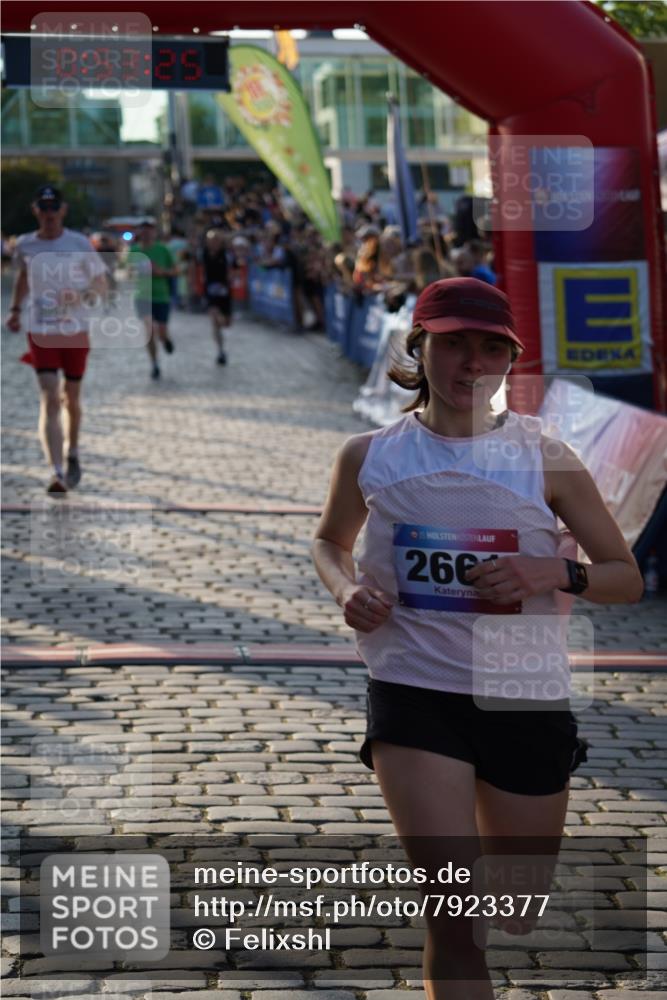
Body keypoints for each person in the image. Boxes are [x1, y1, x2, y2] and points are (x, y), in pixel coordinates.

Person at [311, 277, 643, 999]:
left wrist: (550, 571)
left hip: (521, 688)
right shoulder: (369, 454)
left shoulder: (545, 457)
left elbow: (624, 576)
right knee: (454, 918)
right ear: (418, 346)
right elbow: (329, 543)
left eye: (490, 349)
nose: (470, 364)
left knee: (514, 908)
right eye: (454, 343)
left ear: (507, 361)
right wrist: (348, 591)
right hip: (413, 690)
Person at [6, 185, 107, 494]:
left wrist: (80, 295)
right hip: (41, 331)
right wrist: (14, 309)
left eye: (54, 208)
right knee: (49, 397)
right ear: (35, 210)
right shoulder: (25, 245)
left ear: (62, 211)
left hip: (75, 331)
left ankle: (73, 450)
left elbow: (101, 285)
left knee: (71, 398)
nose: (49, 214)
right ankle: (56, 471)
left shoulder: (78, 243)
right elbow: (23, 277)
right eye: (43, 208)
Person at [127, 220, 177, 380]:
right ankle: (154, 363)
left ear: (155, 232)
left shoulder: (163, 249)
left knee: (161, 331)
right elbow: (127, 274)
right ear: (140, 233)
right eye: (144, 230)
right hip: (142, 296)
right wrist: (135, 272)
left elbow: (176, 270)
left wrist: (160, 272)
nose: (147, 233)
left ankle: (166, 339)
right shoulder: (133, 250)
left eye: (150, 230)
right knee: (149, 330)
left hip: (161, 295)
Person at [202, 228, 232, 365]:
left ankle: (221, 348)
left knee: (225, 323)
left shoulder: (226, 255)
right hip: (210, 293)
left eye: (216, 240)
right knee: (215, 321)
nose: (213, 243)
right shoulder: (203, 254)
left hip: (225, 294)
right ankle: (220, 351)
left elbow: (235, 270)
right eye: (211, 241)